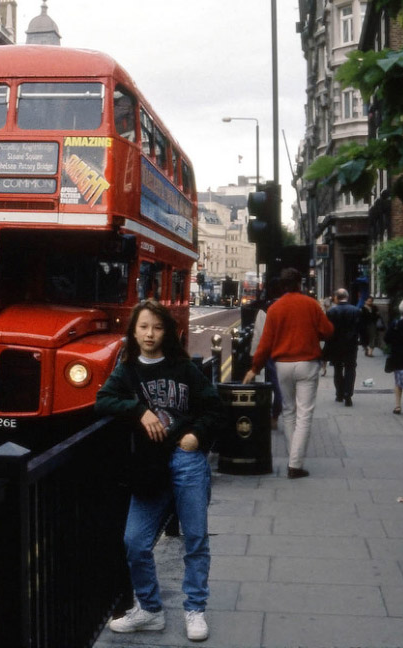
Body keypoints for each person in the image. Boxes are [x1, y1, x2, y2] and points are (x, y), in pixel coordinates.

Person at [96, 300, 223, 641]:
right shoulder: (127, 370)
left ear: (166, 331)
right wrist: (139, 411)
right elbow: (102, 400)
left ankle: (195, 608)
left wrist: (196, 434)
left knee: (195, 538)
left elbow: (213, 405)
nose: (149, 334)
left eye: (157, 327)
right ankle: (150, 610)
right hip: (150, 465)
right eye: (143, 327)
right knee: (135, 541)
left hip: (186, 461)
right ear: (133, 331)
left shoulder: (183, 368)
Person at [242, 268, 333, 479]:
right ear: (300, 284)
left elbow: (265, 343)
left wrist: (254, 368)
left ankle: (294, 459)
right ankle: (295, 465)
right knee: (304, 414)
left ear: (282, 286)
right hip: (308, 364)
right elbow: (328, 331)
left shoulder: (275, 308)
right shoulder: (311, 304)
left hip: (282, 365)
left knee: (289, 411)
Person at [249, 278, 283, 426]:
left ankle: (273, 414)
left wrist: (254, 355)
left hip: (271, 353)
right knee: (281, 385)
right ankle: (276, 414)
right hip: (288, 352)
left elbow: (259, 334)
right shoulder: (288, 307)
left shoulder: (265, 309)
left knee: (272, 384)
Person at [325, 288, 361, 406]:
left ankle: (339, 394)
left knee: (338, 368)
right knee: (350, 368)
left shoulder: (331, 312)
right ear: (347, 297)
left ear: (336, 297)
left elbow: (328, 330)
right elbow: (359, 328)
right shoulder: (356, 310)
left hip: (336, 345)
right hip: (351, 345)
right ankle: (348, 393)